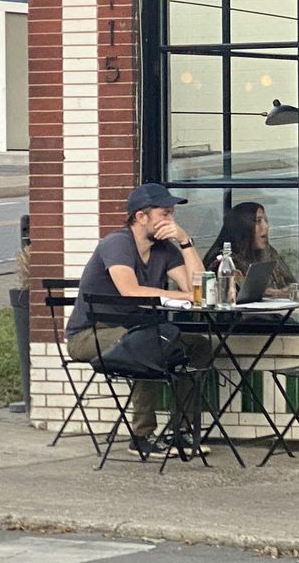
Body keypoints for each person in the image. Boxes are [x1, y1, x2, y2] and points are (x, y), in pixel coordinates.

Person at [65, 183, 218, 454]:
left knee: (199, 345)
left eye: (172, 214)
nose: (170, 220)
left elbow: (198, 289)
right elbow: (129, 290)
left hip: (133, 331)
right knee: (148, 343)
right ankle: (141, 436)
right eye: (165, 214)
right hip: (90, 335)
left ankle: (179, 430)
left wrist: (184, 241)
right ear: (141, 217)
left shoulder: (164, 249)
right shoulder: (117, 243)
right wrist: (183, 296)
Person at [203, 200, 296, 300]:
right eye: (258, 221)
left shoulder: (268, 253)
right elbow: (234, 294)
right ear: (243, 227)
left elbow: (289, 283)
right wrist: (269, 293)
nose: (266, 226)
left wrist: (289, 290)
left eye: (265, 221)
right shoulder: (223, 260)